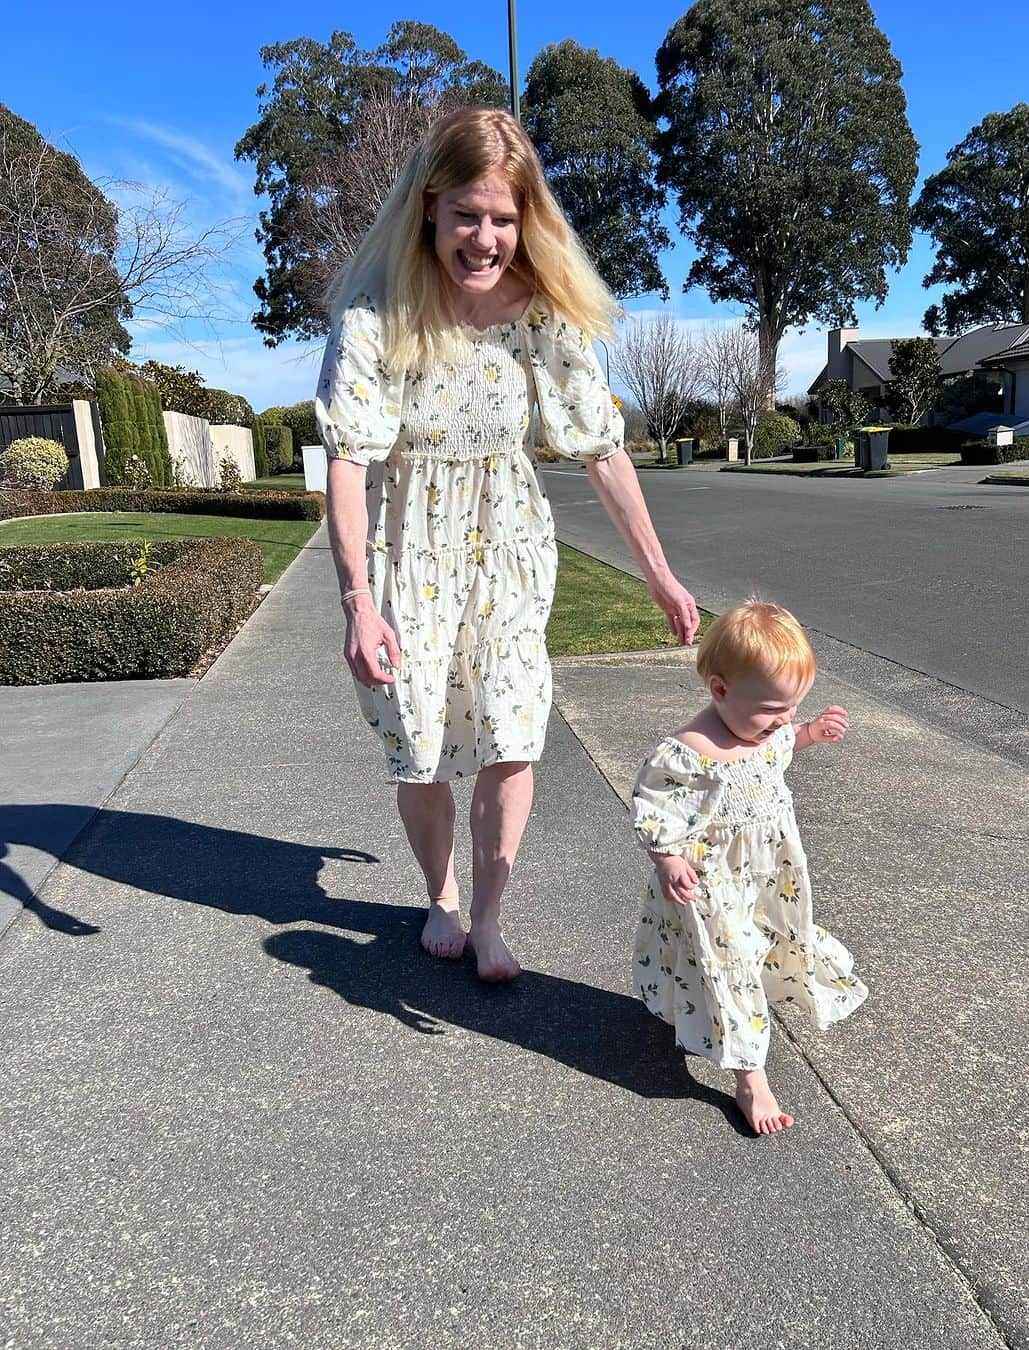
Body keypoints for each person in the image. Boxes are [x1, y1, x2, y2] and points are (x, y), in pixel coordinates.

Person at [315, 107, 699, 982]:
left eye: (502, 217)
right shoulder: (379, 317)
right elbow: (348, 461)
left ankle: (490, 917)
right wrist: (358, 603)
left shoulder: (542, 317)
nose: (485, 238)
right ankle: (441, 893)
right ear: (430, 208)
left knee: (513, 733)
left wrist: (660, 576)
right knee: (419, 742)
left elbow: (600, 447)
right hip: (404, 554)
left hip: (509, 551)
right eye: (466, 216)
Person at [630, 601, 868, 1134]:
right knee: (728, 963)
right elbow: (651, 810)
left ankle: (687, 1008)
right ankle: (750, 1079)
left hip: (769, 875)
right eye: (773, 709)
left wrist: (809, 732)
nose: (782, 721)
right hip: (710, 884)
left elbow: (781, 746)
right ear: (719, 690)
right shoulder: (688, 752)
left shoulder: (763, 729)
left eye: (792, 707)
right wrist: (666, 859)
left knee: (760, 945)